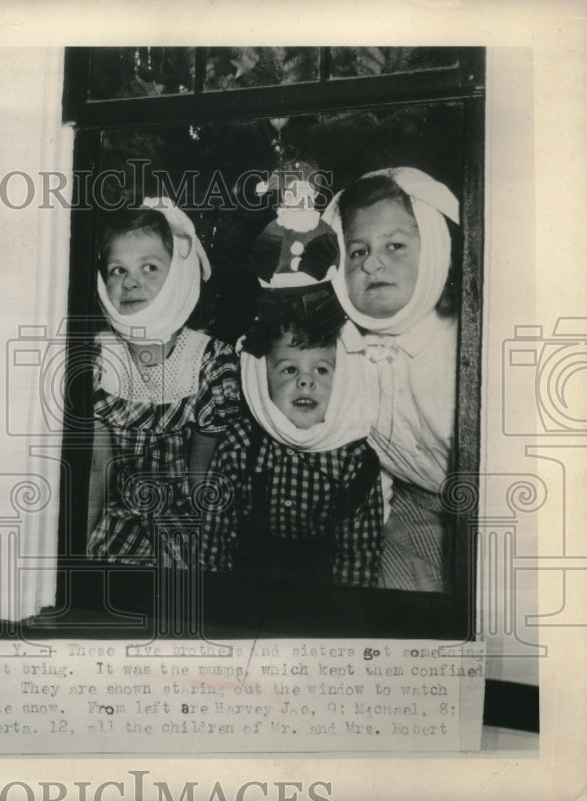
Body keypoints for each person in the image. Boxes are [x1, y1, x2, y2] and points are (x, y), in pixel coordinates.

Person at [323, 167, 460, 591]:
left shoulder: (464, 337)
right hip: (415, 499)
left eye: (395, 245)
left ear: (437, 250)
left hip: (495, 503)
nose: (373, 263)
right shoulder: (340, 348)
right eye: (357, 252)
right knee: (401, 606)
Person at [87, 199, 241, 568]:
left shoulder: (208, 362)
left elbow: (201, 472)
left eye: (150, 267)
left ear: (178, 277)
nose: (131, 281)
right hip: (120, 512)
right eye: (117, 269)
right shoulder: (98, 359)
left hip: (185, 512)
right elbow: (98, 466)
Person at [206, 287, 385, 586]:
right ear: (262, 381)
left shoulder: (355, 462)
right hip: (247, 577)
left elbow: (358, 559)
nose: (305, 380)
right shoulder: (240, 445)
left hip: (322, 586)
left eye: (322, 370)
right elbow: (214, 535)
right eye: (289, 369)